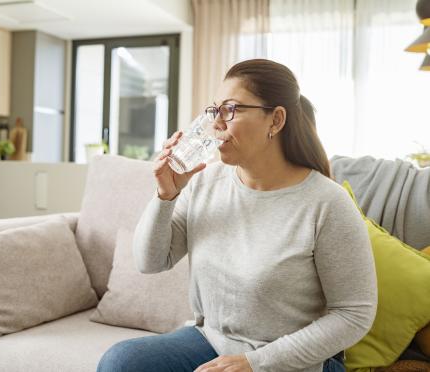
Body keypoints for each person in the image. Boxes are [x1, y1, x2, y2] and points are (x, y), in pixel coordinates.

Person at [97, 59, 377, 372]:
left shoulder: (327, 203)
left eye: (230, 109)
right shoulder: (204, 183)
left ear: (276, 120)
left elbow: (354, 314)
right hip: (212, 342)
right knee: (122, 362)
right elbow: (149, 261)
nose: (216, 123)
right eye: (213, 111)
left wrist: (255, 364)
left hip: (294, 360)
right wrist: (166, 195)